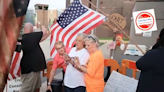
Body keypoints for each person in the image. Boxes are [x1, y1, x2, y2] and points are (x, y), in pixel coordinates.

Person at [20, 23, 50, 92]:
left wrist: (50, 33)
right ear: (32, 29)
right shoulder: (31, 36)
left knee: (35, 88)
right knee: (27, 88)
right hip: (31, 69)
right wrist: (42, 26)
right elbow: (44, 32)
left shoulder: (26, 38)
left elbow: (41, 39)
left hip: (33, 68)